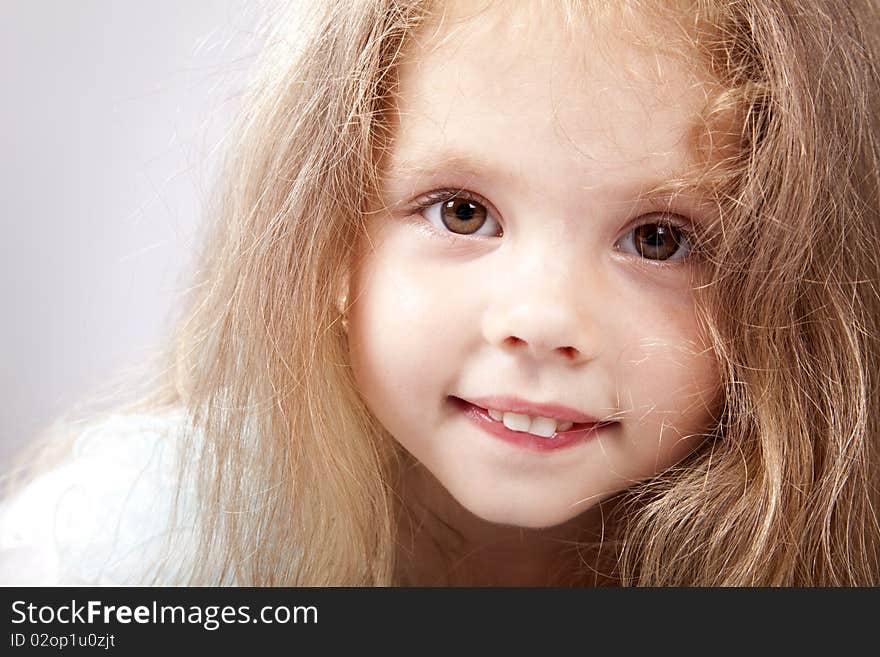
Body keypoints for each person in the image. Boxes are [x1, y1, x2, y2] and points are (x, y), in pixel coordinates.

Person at [2, 0, 879, 586]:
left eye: (659, 239)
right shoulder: (139, 545)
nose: (541, 321)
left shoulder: (820, 554)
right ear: (330, 239)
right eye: (463, 213)